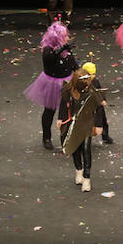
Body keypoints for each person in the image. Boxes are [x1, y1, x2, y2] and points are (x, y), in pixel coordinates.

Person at [24, 21, 79, 149]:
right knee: (50, 111)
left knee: (69, 110)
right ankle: (46, 137)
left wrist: (78, 70)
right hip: (52, 84)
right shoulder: (48, 50)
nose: (66, 38)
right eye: (64, 36)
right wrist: (62, 49)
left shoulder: (66, 49)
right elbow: (49, 59)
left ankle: (68, 137)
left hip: (67, 81)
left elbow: (71, 62)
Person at [57, 68, 104, 192]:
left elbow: (99, 108)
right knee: (75, 148)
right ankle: (79, 170)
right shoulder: (69, 90)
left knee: (86, 149)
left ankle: (87, 178)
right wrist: (60, 118)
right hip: (74, 123)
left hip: (88, 122)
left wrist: (99, 125)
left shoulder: (92, 92)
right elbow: (63, 103)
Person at [82, 62, 112, 144]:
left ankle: (105, 135)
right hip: (87, 105)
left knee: (103, 120)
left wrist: (103, 99)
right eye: (91, 74)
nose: (93, 76)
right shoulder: (82, 83)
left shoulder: (95, 81)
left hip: (97, 103)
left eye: (94, 74)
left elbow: (100, 91)